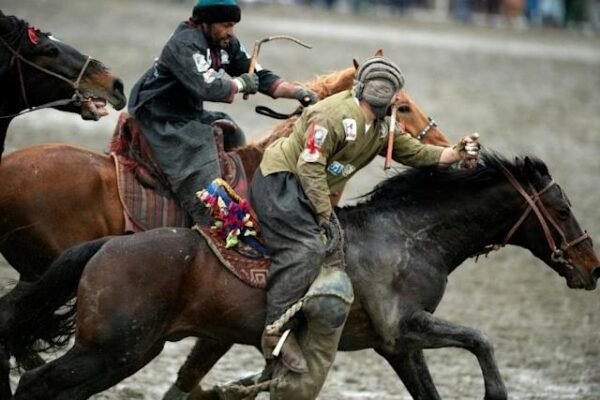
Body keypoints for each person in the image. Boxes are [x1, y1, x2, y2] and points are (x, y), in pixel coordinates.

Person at [249, 55, 479, 392]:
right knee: (308, 248)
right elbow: (310, 167)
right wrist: (324, 214)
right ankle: (275, 334)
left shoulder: (383, 125)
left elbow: (416, 153)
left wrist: (454, 153)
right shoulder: (331, 117)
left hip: (310, 189)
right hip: (281, 183)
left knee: (336, 252)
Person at [127, 0, 319, 226]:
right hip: (158, 114)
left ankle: (235, 192)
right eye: (226, 25)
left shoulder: (225, 43)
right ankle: (211, 217)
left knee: (233, 134)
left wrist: (298, 92)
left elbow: (259, 75)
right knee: (201, 150)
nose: (230, 32)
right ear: (204, 23)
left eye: (233, 25)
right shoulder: (184, 45)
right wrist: (240, 84)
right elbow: (207, 87)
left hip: (186, 111)